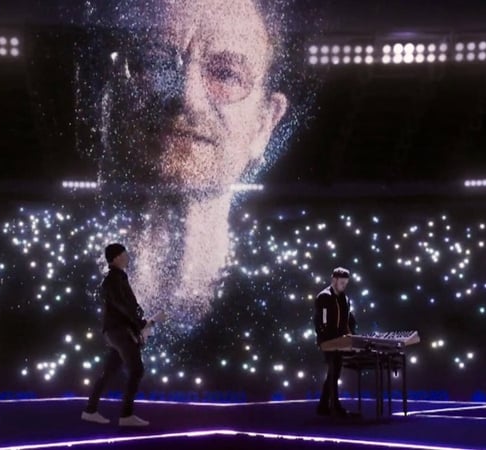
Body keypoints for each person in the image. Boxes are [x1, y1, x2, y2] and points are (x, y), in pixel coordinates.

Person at [83, 0, 302, 325]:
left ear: (264, 124)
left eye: (227, 74)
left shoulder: (290, 310)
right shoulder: (35, 290)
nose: (187, 96)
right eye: (155, 62)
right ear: (108, 96)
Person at [81, 243, 164, 426]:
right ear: (117, 257)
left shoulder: (118, 278)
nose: (128, 256)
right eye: (125, 253)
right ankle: (126, 416)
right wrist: (142, 323)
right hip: (118, 330)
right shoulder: (113, 279)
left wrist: (142, 324)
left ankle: (90, 410)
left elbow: (125, 307)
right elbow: (123, 307)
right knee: (136, 369)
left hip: (116, 330)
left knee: (109, 371)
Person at [313, 267, 357, 417]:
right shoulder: (324, 297)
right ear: (334, 280)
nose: (344, 285)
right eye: (342, 282)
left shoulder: (344, 298)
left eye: (346, 283)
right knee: (334, 371)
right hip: (329, 341)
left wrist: (352, 335)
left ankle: (324, 406)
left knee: (334, 372)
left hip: (341, 340)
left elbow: (348, 319)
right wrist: (327, 338)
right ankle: (334, 406)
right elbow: (321, 322)